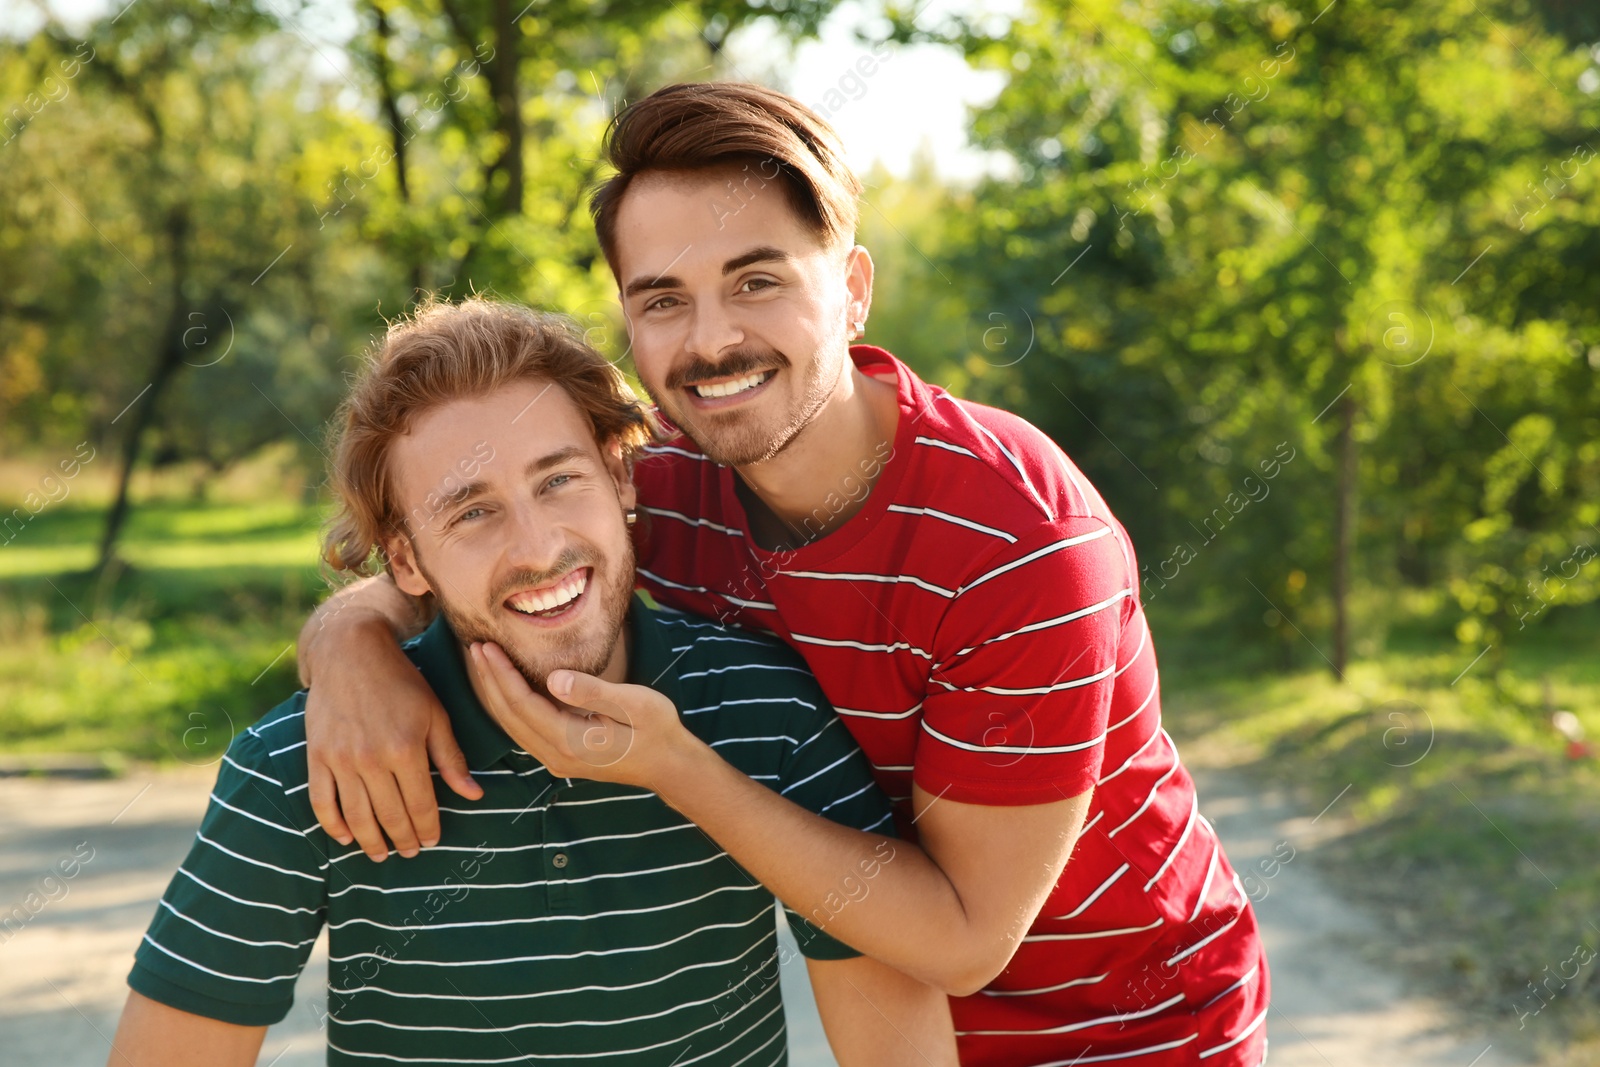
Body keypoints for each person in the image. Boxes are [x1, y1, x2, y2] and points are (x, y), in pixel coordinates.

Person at [297, 82, 1270, 1065]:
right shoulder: (665, 494)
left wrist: (676, 767)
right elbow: (493, 556)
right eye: (663, 299)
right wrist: (348, 636)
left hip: (1133, 1026)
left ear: (851, 288)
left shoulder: (1019, 544)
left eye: (756, 281)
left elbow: (966, 938)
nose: (711, 339)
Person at [107, 299, 957, 1067]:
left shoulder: (765, 709)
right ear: (404, 558)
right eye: (471, 511)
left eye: (559, 480)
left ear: (621, 479)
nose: (537, 546)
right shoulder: (309, 763)